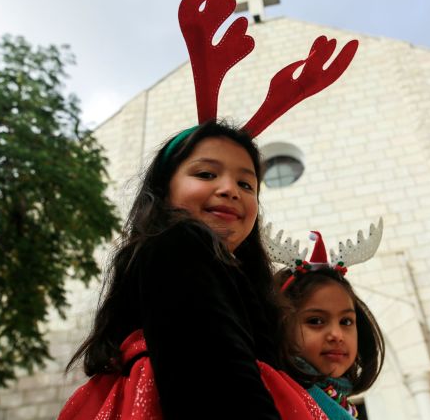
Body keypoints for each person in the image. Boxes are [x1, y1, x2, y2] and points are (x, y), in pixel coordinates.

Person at [60, 121, 325, 420]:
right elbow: (217, 385)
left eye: (246, 184)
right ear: (163, 190)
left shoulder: (236, 277)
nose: (229, 190)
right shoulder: (180, 245)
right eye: (206, 174)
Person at [270, 229, 385, 420]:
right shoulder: (278, 395)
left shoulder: (340, 402)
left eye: (346, 321)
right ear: (282, 326)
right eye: (315, 321)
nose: (337, 334)